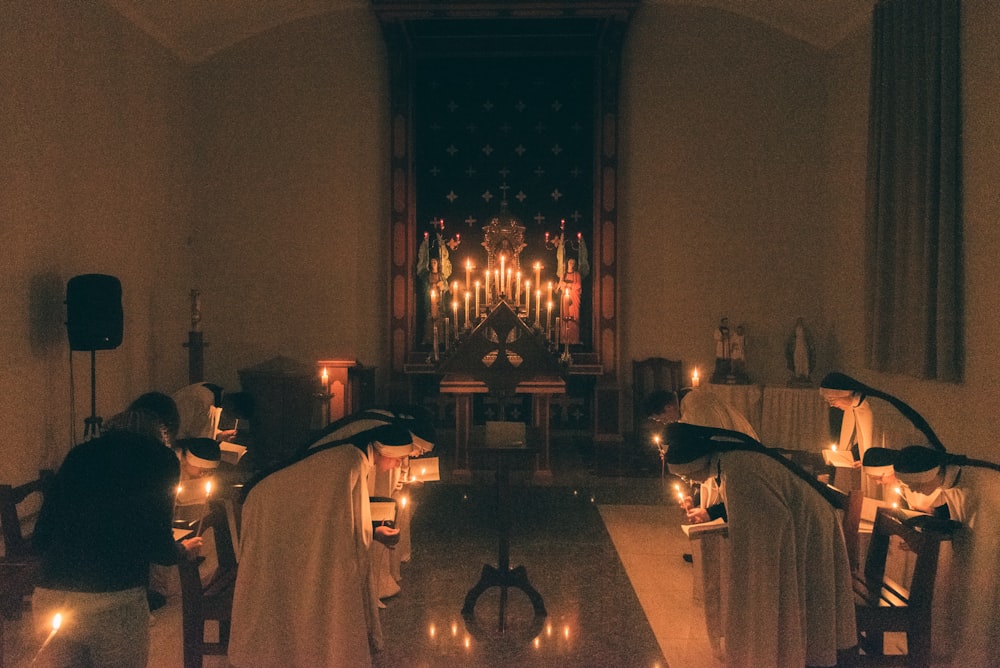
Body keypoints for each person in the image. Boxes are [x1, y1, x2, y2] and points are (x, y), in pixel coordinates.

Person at [229, 422, 421, 668]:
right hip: (271, 511)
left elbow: (339, 519)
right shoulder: (351, 461)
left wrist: (373, 532)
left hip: (279, 514)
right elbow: (337, 523)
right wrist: (367, 536)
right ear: (387, 451)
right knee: (281, 589)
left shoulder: (355, 458)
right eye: (400, 459)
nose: (398, 465)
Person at [665, 422, 857, 667]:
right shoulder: (732, 462)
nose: (689, 480)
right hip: (806, 524)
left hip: (810, 529)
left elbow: (764, 530)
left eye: (686, 474)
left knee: (776, 594)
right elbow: (757, 507)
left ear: (697, 462)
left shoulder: (738, 468)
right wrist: (715, 515)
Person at [31, 407, 201, 668]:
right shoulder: (160, 459)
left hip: (51, 595)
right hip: (114, 599)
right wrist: (182, 551)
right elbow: (158, 546)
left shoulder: (79, 454)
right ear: (162, 433)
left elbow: (41, 536)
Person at [880, 445, 1000, 665]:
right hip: (973, 552)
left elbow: (982, 544)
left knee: (980, 601)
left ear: (930, 475)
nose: (915, 491)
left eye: (917, 485)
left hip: (988, 553)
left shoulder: (981, 486)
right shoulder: (951, 481)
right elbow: (950, 520)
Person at [171, 382, 238, 442]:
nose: (230, 418)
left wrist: (219, 435)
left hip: (180, 438)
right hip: (174, 441)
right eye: (234, 416)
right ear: (231, 406)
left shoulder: (215, 395)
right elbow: (201, 441)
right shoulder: (205, 402)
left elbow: (197, 429)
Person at [557, 257, 582, 344]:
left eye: (573, 262)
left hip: (574, 299)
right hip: (565, 299)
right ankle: (564, 339)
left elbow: (578, 286)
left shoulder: (577, 275)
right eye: (570, 262)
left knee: (573, 317)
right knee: (565, 317)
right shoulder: (563, 275)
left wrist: (567, 284)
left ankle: (574, 339)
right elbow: (560, 286)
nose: (571, 264)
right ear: (567, 263)